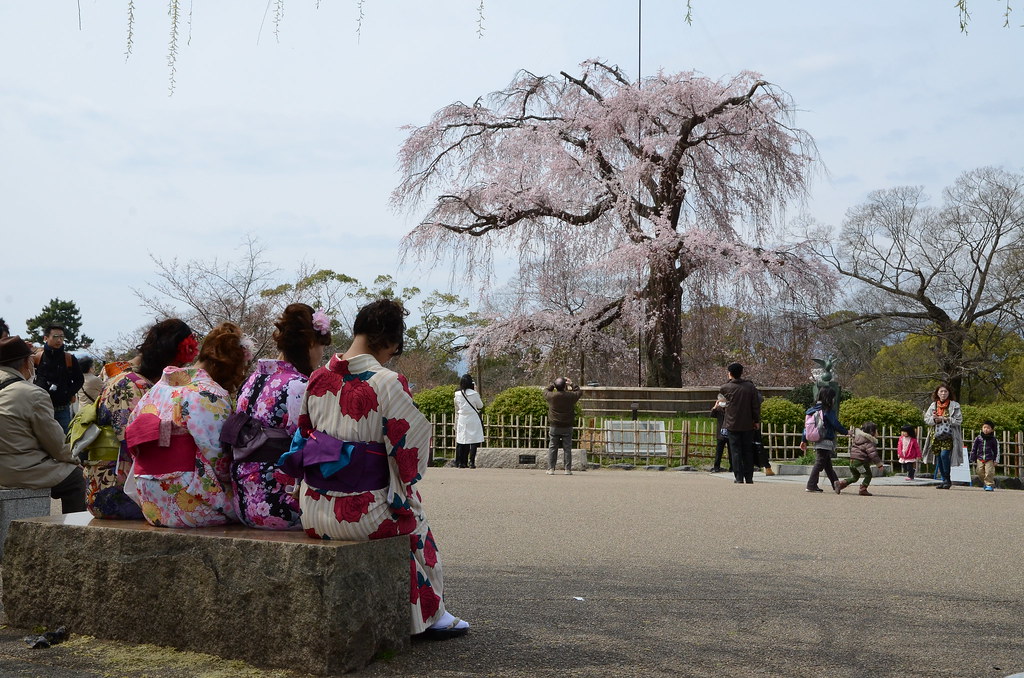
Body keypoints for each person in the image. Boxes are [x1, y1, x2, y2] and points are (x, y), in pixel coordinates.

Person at [281, 299, 469, 639]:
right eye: (394, 348)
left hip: (315, 508)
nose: (391, 355)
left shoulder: (317, 378)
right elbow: (409, 453)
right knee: (414, 518)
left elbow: (304, 435)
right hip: (362, 513)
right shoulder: (388, 381)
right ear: (387, 341)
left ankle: (423, 613)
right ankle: (429, 615)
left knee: (404, 503)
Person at [125, 322, 248, 528]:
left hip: (149, 500)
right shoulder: (208, 393)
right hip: (187, 501)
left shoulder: (156, 389)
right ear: (226, 367)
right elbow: (219, 459)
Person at [231, 304, 332, 529]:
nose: (321, 355)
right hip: (281, 504)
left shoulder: (250, 381)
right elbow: (312, 444)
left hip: (244, 502)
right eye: (321, 347)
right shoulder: (298, 385)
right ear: (310, 343)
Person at [88, 319, 197, 519]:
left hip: (115, 481)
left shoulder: (132, 380)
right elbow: (135, 440)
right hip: (116, 488)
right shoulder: (131, 385)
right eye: (180, 363)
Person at [0, 335, 86, 513]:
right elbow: (55, 443)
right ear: (26, 363)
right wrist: (74, 460)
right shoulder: (32, 394)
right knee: (77, 479)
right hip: (17, 471)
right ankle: (75, 536)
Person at [33, 324, 84, 434]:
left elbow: (79, 379)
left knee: (64, 440)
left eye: (62, 337)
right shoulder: (37, 358)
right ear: (46, 338)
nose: (59, 340)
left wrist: (67, 393)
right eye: (55, 336)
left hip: (62, 408)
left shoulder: (69, 358)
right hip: (40, 408)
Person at [799, 386, 848, 493]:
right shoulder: (827, 410)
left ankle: (836, 484)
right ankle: (811, 485)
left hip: (816, 439)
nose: (834, 400)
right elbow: (835, 424)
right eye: (833, 397)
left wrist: (804, 439)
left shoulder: (811, 410)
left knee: (827, 466)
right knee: (819, 463)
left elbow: (806, 427)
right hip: (825, 440)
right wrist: (846, 432)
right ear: (829, 398)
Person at [720, 362, 761, 484]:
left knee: (735, 451)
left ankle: (738, 477)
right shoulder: (750, 387)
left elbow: (722, 404)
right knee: (747, 450)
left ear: (730, 373)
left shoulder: (725, 388)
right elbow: (755, 405)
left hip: (732, 423)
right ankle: (749, 477)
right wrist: (756, 420)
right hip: (748, 423)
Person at [922, 383, 963, 490]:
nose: (943, 393)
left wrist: (945, 419)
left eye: (945, 391)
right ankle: (944, 480)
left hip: (949, 435)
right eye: (941, 391)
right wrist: (935, 419)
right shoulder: (933, 405)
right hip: (935, 435)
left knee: (945, 455)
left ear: (949, 393)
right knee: (938, 457)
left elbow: (958, 421)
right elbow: (927, 419)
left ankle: (947, 479)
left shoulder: (955, 405)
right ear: (937, 393)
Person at [544, 376, 582, 475]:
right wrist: (571, 383)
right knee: (567, 448)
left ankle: (551, 468)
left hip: (554, 426)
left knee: (552, 447)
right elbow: (579, 392)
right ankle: (567, 469)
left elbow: (545, 390)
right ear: (565, 386)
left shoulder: (551, 396)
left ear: (556, 387)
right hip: (567, 425)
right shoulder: (570, 396)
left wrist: (553, 384)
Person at [836, 421, 884, 496]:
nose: (878, 433)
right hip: (860, 463)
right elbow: (873, 455)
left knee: (855, 477)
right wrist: (879, 465)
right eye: (877, 431)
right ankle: (863, 489)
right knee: (868, 475)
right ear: (872, 432)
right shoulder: (868, 442)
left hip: (852, 462)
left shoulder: (858, 439)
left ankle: (840, 484)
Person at [453, 374, 484, 469]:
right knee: (473, 440)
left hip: (462, 418)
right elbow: (480, 406)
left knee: (462, 439)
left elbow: (457, 406)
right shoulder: (474, 394)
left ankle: (461, 462)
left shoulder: (457, 394)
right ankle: (472, 462)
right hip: (473, 418)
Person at [969, 420, 1000, 492]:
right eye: (984, 427)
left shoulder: (993, 439)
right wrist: (972, 457)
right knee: (979, 471)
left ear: (992, 430)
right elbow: (974, 448)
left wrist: (996, 460)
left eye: (988, 428)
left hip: (989, 458)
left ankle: (989, 484)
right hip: (980, 457)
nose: (986, 429)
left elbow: (996, 450)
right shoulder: (978, 438)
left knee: (989, 472)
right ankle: (986, 483)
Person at [709, 393, 730, 473]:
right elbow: (712, 415)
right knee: (719, 452)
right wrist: (715, 407)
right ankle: (716, 467)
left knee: (731, 451)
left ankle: (732, 467)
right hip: (720, 433)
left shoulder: (730, 408)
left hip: (729, 432)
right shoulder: (718, 409)